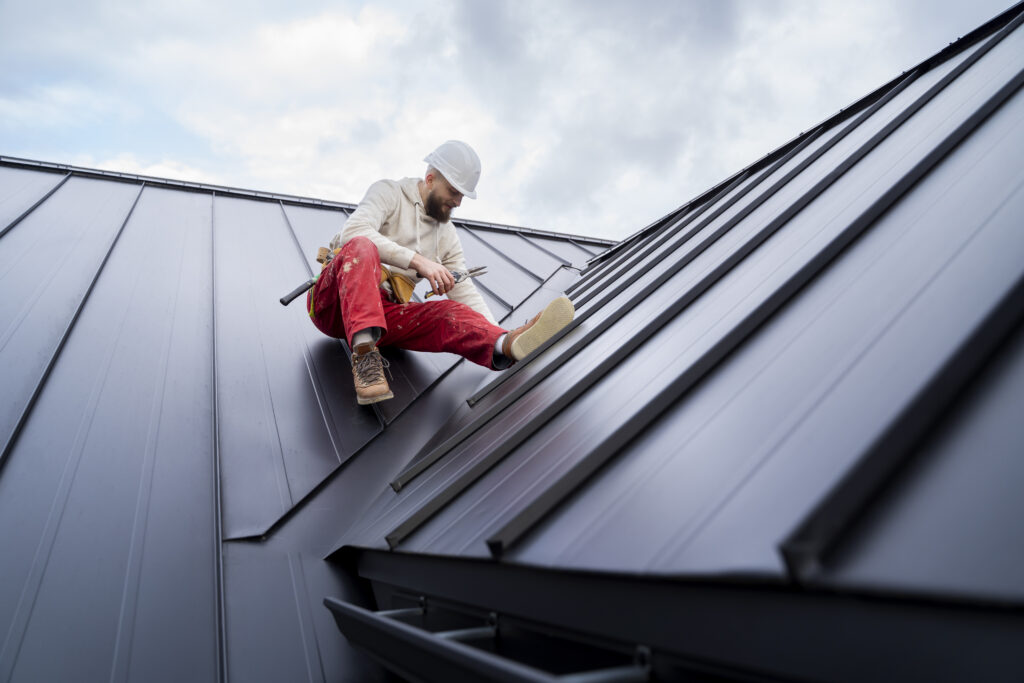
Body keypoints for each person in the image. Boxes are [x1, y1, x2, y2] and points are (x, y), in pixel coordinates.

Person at [307, 140, 575, 405]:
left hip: (383, 315)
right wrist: (419, 262)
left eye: (462, 196)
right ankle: (365, 357)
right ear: (430, 179)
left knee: (449, 313)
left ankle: (507, 344)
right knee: (362, 246)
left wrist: (493, 332)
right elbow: (353, 231)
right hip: (333, 303)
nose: (458, 202)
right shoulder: (388, 192)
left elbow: (464, 292)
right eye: (454, 191)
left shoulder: (446, 235)